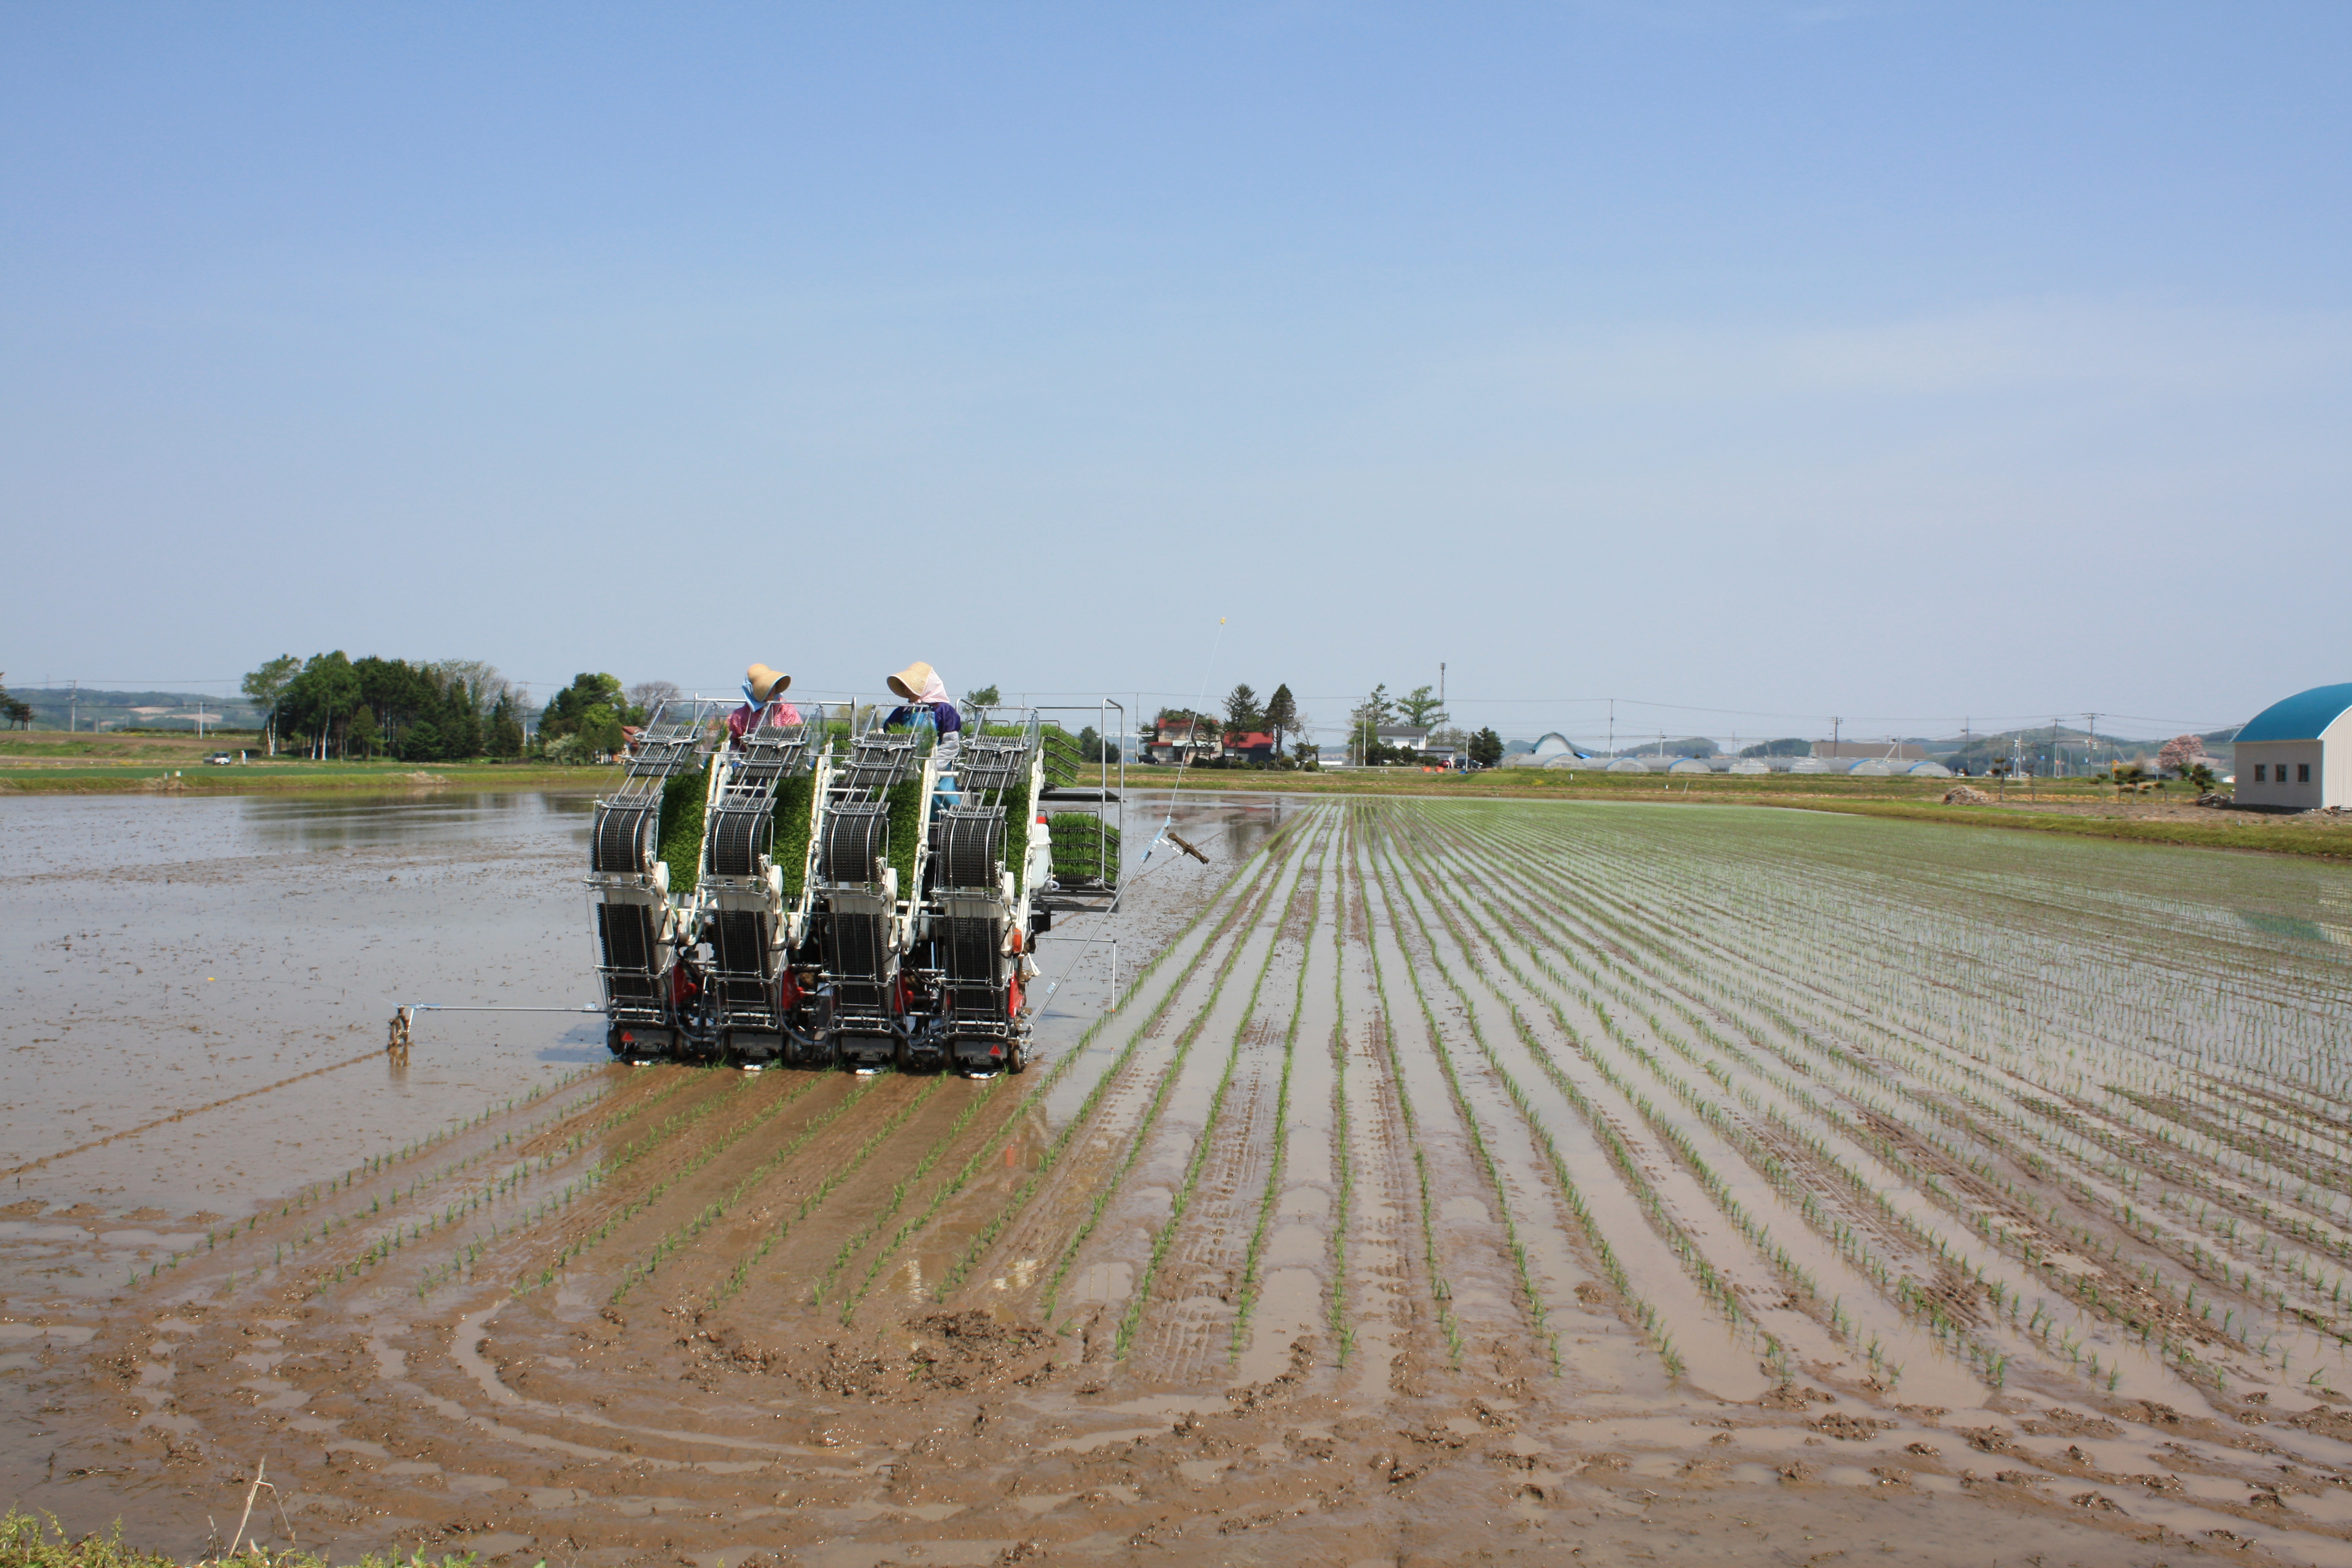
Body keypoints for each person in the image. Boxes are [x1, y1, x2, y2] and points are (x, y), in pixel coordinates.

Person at [881, 662, 963, 736]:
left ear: (927, 686)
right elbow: (890, 734)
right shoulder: (903, 711)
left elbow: (950, 744)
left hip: (936, 752)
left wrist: (938, 753)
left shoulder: (943, 709)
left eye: (909, 685)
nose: (905, 689)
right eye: (903, 686)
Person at [728, 663, 801, 741]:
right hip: (749, 753)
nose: (771, 690)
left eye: (772, 685)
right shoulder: (740, 716)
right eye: (765, 687)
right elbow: (734, 742)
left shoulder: (786, 709)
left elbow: (796, 736)